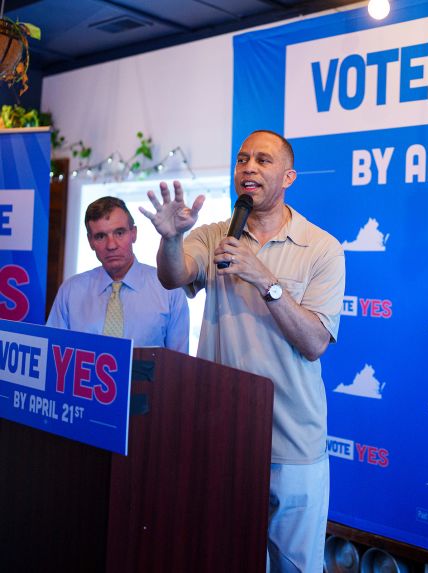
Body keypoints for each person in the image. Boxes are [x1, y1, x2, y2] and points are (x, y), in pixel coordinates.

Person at [140, 130, 345, 572]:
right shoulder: (217, 234)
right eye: (242, 159)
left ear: (288, 176)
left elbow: (313, 343)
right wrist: (172, 239)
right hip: (222, 437)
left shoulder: (322, 248)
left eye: (263, 160)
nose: (248, 167)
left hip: (292, 444)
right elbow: (174, 276)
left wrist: (265, 281)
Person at [47, 196, 189, 352]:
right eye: (100, 236)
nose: (111, 245)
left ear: (133, 234)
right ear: (90, 241)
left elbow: (178, 366)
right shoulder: (70, 291)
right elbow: (52, 355)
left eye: (119, 233)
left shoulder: (169, 289)